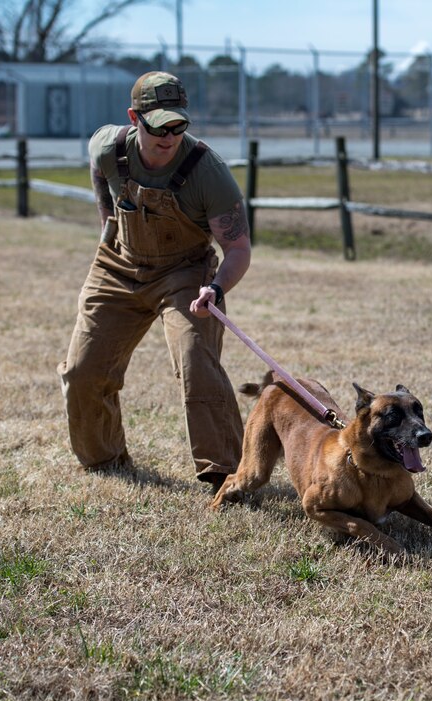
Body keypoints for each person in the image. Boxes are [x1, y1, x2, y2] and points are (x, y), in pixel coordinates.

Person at [58, 71, 249, 492]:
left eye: (179, 124)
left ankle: (226, 473)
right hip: (118, 266)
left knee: (197, 361)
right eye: (159, 125)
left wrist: (214, 288)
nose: (169, 135)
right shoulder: (108, 147)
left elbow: (238, 248)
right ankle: (102, 459)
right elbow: (96, 169)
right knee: (83, 370)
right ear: (134, 118)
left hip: (184, 273)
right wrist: (107, 222)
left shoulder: (207, 170)